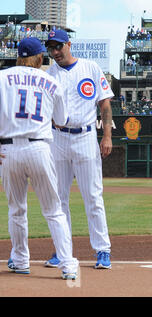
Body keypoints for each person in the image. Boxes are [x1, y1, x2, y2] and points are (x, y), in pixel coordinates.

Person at [0, 37, 79, 279]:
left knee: (16, 210)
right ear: (39, 58)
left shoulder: (2, 77)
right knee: (54, 210)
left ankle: (21, 259)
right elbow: (62, 120)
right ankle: (68, 265)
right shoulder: (51, 81)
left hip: (9, 150)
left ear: (18, 56)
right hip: (39, 148)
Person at [44, 30, 113, 269]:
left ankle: (103, 250)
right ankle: (62, 252)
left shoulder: (90, 67)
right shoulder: (49, 74)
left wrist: (107, 136)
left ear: (68, 44)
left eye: (58, 47)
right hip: (57, 139)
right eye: (51, 48)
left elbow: (104, 103)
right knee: (58, 199)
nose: (55, 52)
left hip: (85, 136)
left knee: (93, 197)